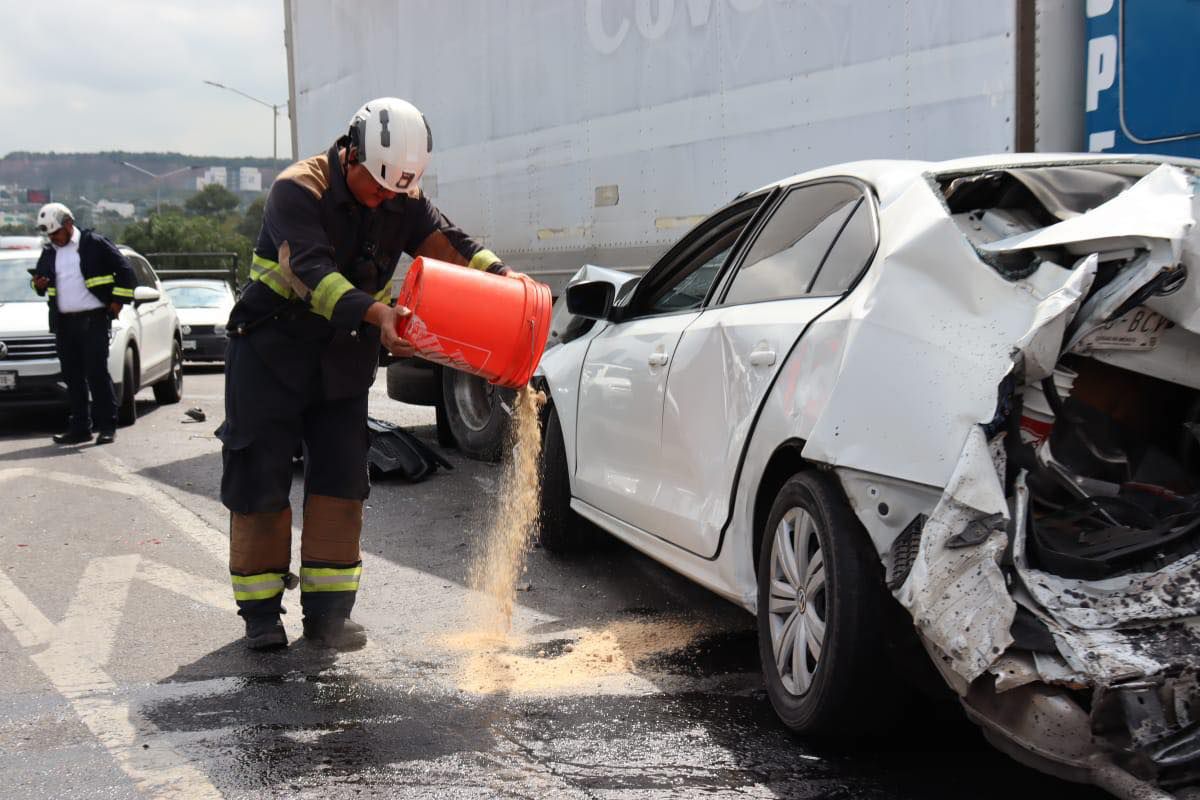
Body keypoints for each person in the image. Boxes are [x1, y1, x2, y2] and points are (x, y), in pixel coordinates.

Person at [221, 97, 518, 651]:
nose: (386, 200)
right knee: (259, 477)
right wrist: (380, 314)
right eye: (378, 188)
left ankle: (329, 614)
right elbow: (311, 274)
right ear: (350, 152)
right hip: (270, 355)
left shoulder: (400, 196)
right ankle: (261, 613)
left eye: (397, 192)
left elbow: (451, 246)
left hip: (340, 361)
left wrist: (503, 278)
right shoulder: (297, 189)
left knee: (341, 482)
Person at [31, 203, 136, 445]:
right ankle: (80, 428)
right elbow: (39, 282)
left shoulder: (94, 244)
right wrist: (38, 284)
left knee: (97, 373)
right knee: (72, 376)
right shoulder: (50, 251)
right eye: (49, 235)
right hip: (64, 323)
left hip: (93, 320)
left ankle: (108, 426)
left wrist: (118, 301)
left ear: (68, 224)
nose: (53, 238)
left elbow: (125, 272)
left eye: (56, 232)